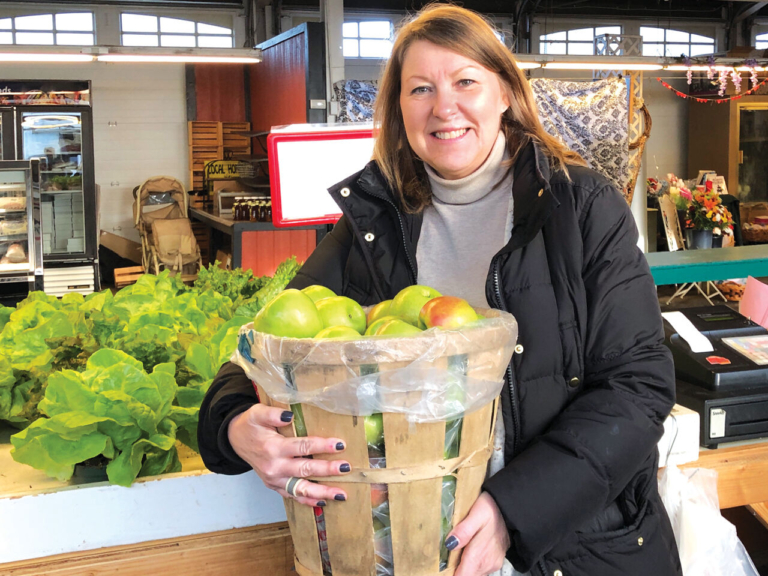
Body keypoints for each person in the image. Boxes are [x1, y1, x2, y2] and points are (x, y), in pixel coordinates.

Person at [198, 5, 682, 576]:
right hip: (418, 547)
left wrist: (511, 511)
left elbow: (639, 386)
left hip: (577, 549)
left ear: (505, 92)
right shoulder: (376, 221)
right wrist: (233, 423)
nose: (443, 106)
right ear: (399, 109)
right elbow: (271, 341)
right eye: (420, 88)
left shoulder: (579, 206)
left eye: (466, 81)